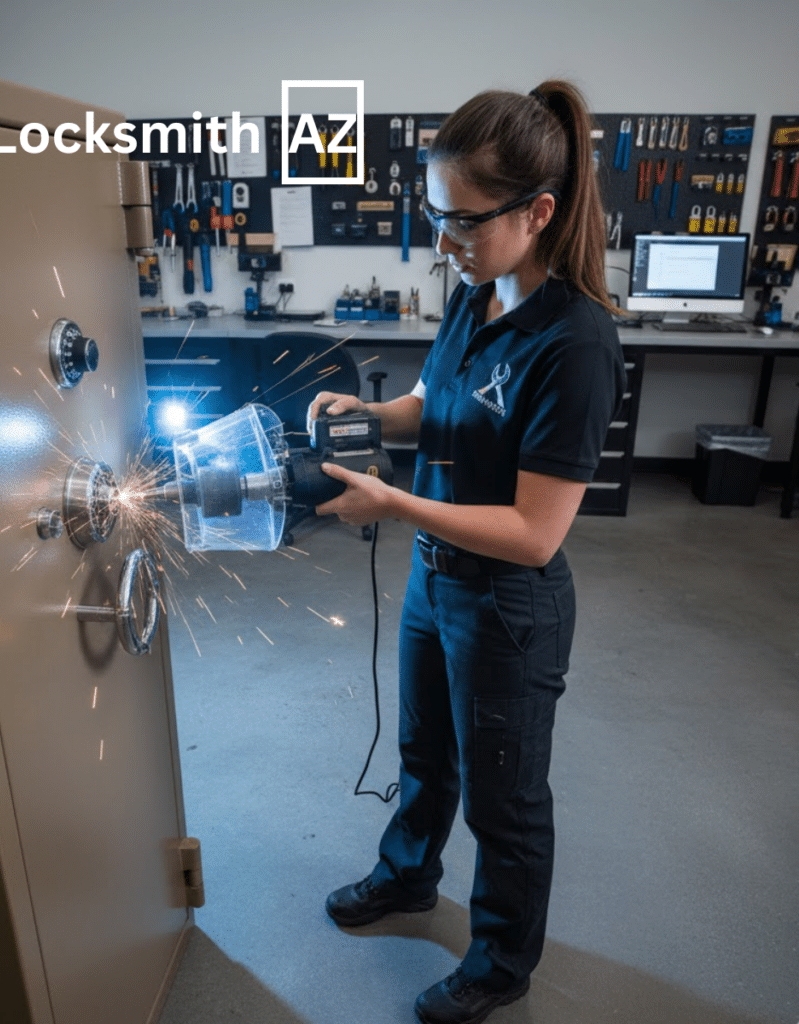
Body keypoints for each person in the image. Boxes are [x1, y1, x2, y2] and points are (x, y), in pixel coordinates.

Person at [307, 80, 627, 1024]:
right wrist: (370, 413)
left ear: (538, 213)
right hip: (434, 583)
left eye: (461, 221)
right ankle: (408, 876)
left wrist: (392, 502)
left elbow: (535, 532)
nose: (442, 242)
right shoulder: (475, 294)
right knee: (424, 754)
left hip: (507, 605)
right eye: (435, 215)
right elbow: (432, 404)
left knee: (504, 800)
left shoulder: (575, 343)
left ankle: (499, 963)